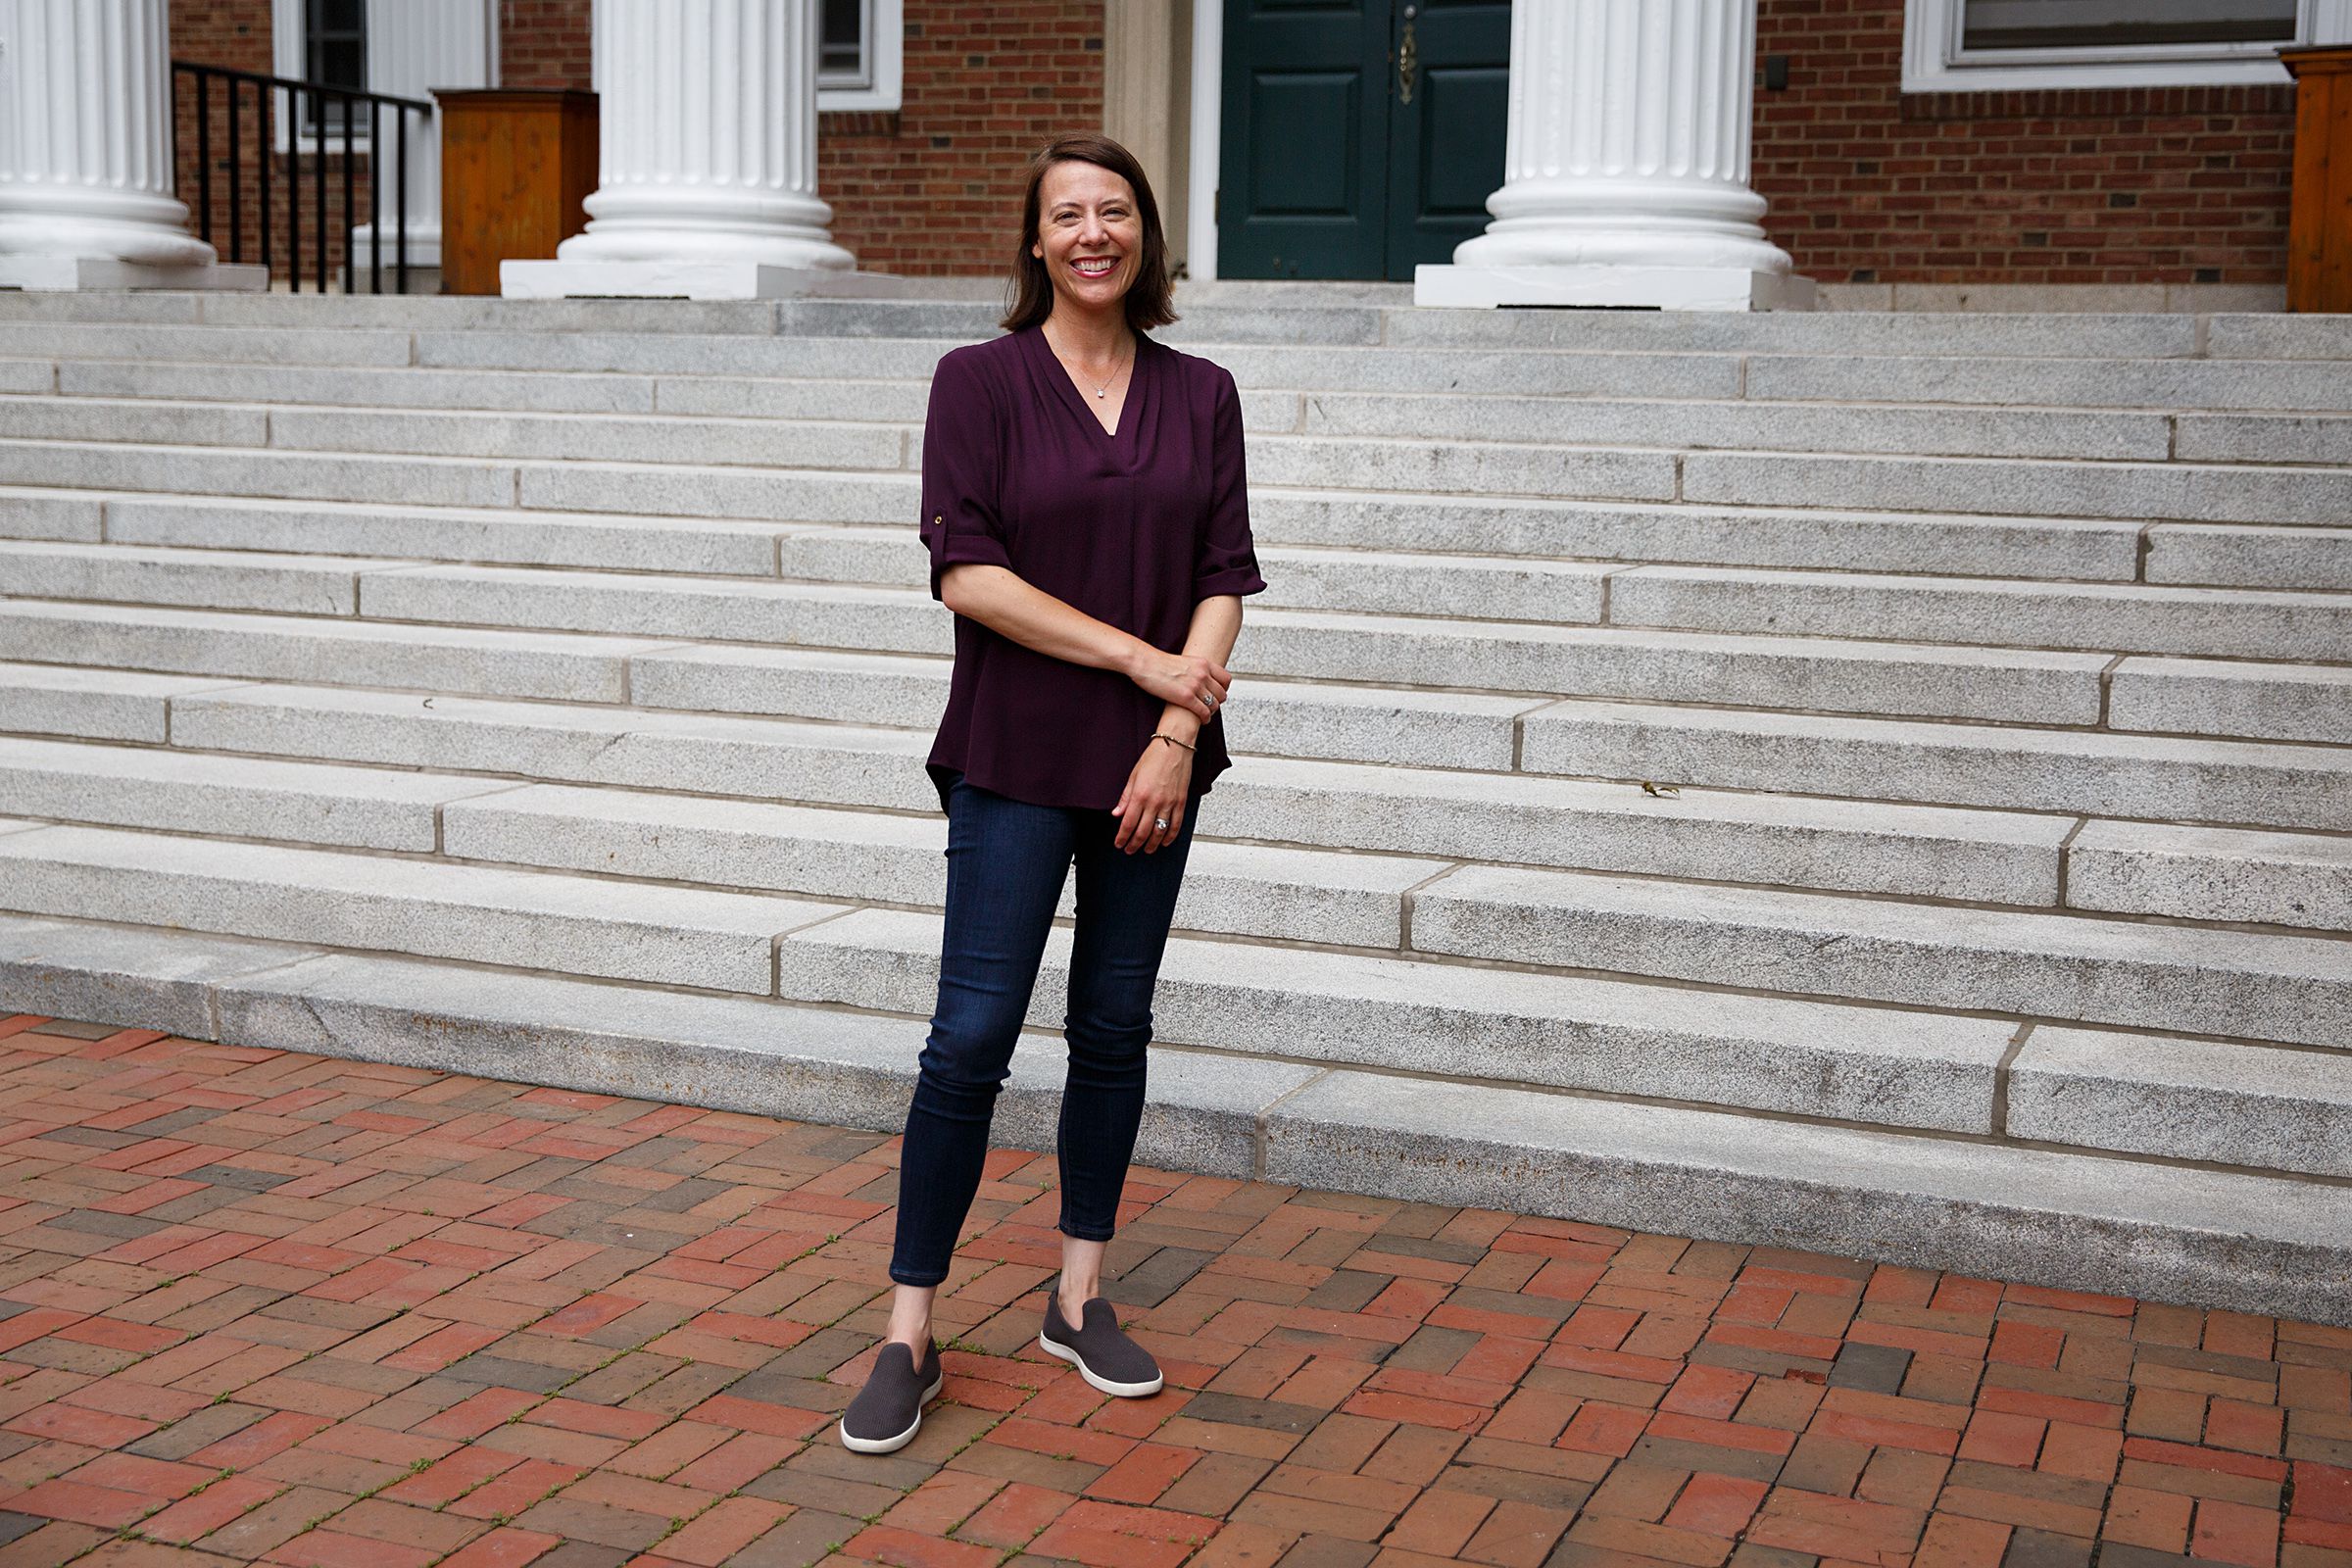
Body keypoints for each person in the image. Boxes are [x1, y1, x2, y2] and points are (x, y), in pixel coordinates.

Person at [839, 133, 1266, 1454]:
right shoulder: (980, 382)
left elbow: (1224, 573)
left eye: (1116, 211)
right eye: (1067, 215)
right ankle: (908, 1327)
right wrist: (1148, 668)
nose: (1094, 233)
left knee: (1115, 1023)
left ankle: (1078, 1295)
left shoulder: (1202, 392)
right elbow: (968, 576)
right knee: (970, 1036)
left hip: (1155, 764)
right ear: (1035, 244)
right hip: (1014, 753)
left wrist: (1174, 737)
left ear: (1148, 235)